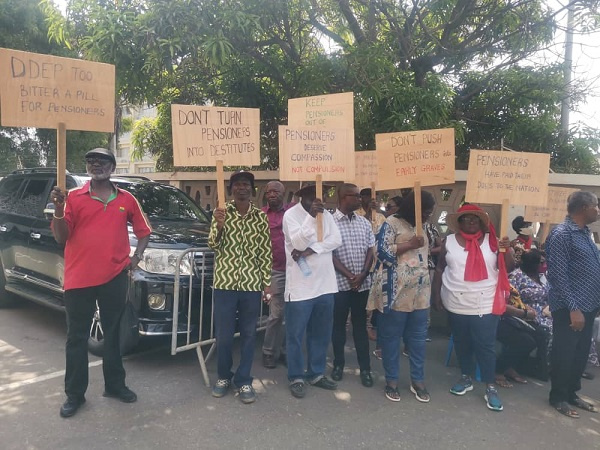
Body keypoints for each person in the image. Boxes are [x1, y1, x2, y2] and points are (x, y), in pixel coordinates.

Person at [50, 148, 152, 418]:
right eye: (91, 161)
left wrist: (136, 258)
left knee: (113, 334)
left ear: (112, 166)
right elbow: (61, 237)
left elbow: (144, 231)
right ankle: (74, 395)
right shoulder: (72, 197)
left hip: (114, 277)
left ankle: (115, 386)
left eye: (103, 161)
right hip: (79, 279)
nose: (96, 164)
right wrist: (59, 211)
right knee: (76, 338)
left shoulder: (127, 199)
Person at [432, 204, 514, 412]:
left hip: (485, 301)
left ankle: (490, 386)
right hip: (455, 300)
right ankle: (466, 377)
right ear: (458, 222)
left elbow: (509, 267)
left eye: (475, 218)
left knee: (485, 345)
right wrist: (436, 294)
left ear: (481, 222)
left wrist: (507, 249)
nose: (470, 221)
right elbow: (441, 267)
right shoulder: (448, 241)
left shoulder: (494, 241)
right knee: (462, 342)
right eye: (466, 218)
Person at [208, 170, 272, 404]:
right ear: (231, 189)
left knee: (248, 335)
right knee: (224, 336)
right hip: (224, 284)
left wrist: (267, 283)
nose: (242, 188)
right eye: (237, 184)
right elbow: (213, 244)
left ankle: (244, 379)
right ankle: (223, 377)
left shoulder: (259, 217)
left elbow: (265, 252)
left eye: (246, 184)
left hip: (251, 285)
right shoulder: (222, 213)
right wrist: (220, 224)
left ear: (252, 190)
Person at [371, 191, 435, 403]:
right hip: (396, 292)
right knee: (391, 338)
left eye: (429, 213)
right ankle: (391, 380)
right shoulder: (391, 223)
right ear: (413, 208)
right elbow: (381, 252)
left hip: (421, 292)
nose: (427, 216)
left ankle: (418, 380)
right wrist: (409, 245)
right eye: (424, 212)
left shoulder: (423, 226)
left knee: (417, 339)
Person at [283, 183, 342, 398]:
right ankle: (296, 376)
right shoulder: (291, 215)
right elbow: (297, 243)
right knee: (296, 335)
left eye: (322, 196)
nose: (319, 201)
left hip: (325, 284)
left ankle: (316, 373)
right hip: (300, 287)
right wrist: (311, 217)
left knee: (321, 332)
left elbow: (336, 240)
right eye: (313, 197)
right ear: (303, 196)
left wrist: (312, 249)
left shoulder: (327, 215)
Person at [545, 191, 600, 418]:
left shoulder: (585, 233)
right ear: (585, 207)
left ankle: (571, 393)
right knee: (565, 353)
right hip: (571, 307)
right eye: (597, 205)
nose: (598, 210)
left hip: (588, 305)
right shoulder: (562, 234)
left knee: (580, 354)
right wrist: (573, 308)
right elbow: (558, 275)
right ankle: (558, 397)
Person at [331, 184, 375, 387]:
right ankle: (338, 364)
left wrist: (363, 274)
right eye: (356, 196)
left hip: (362, 285)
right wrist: (350, 276)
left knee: (360, 326)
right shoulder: (329, 222)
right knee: (338, 326)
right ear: (343, 197)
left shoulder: (364, 223)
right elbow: (329, 254)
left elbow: (370, 250)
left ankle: (365, 369)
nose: (360, 199)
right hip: (339, 285)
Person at [261, 181, 292, 369]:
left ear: (284, 193)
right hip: (274, 270)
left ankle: (286, 352)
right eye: (269, 191)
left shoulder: (292, 213)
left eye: (276, 191)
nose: (272, 194)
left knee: (292, 315)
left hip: (296, 270)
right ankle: (268, 352)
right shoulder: (260, 215)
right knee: (275, 314)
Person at [508, 249, 552, 382]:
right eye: (541, 262)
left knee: (566, 328)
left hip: (547, 312)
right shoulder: (516, 276)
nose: (543, 265)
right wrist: (526, 310)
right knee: (549, 330)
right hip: (527, 313)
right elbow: (511, 298)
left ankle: (556, 366)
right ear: (532, 263)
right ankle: (539, 366)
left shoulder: (543, 277)